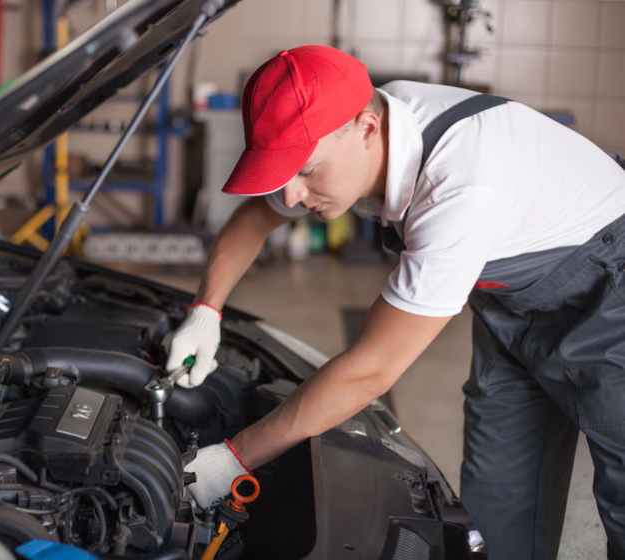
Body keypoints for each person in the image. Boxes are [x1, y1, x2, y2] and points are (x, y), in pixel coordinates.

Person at [165, 45, 625, 559]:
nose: (292, 196)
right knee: (500, 499)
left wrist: (231, 461)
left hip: (610, 290)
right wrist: (206, 311)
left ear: (366, 129)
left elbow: (371, 370)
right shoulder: (365, 122)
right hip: (512, 301)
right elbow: (255, 219)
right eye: (283, 174)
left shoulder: (462, 185)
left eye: (307, 171)